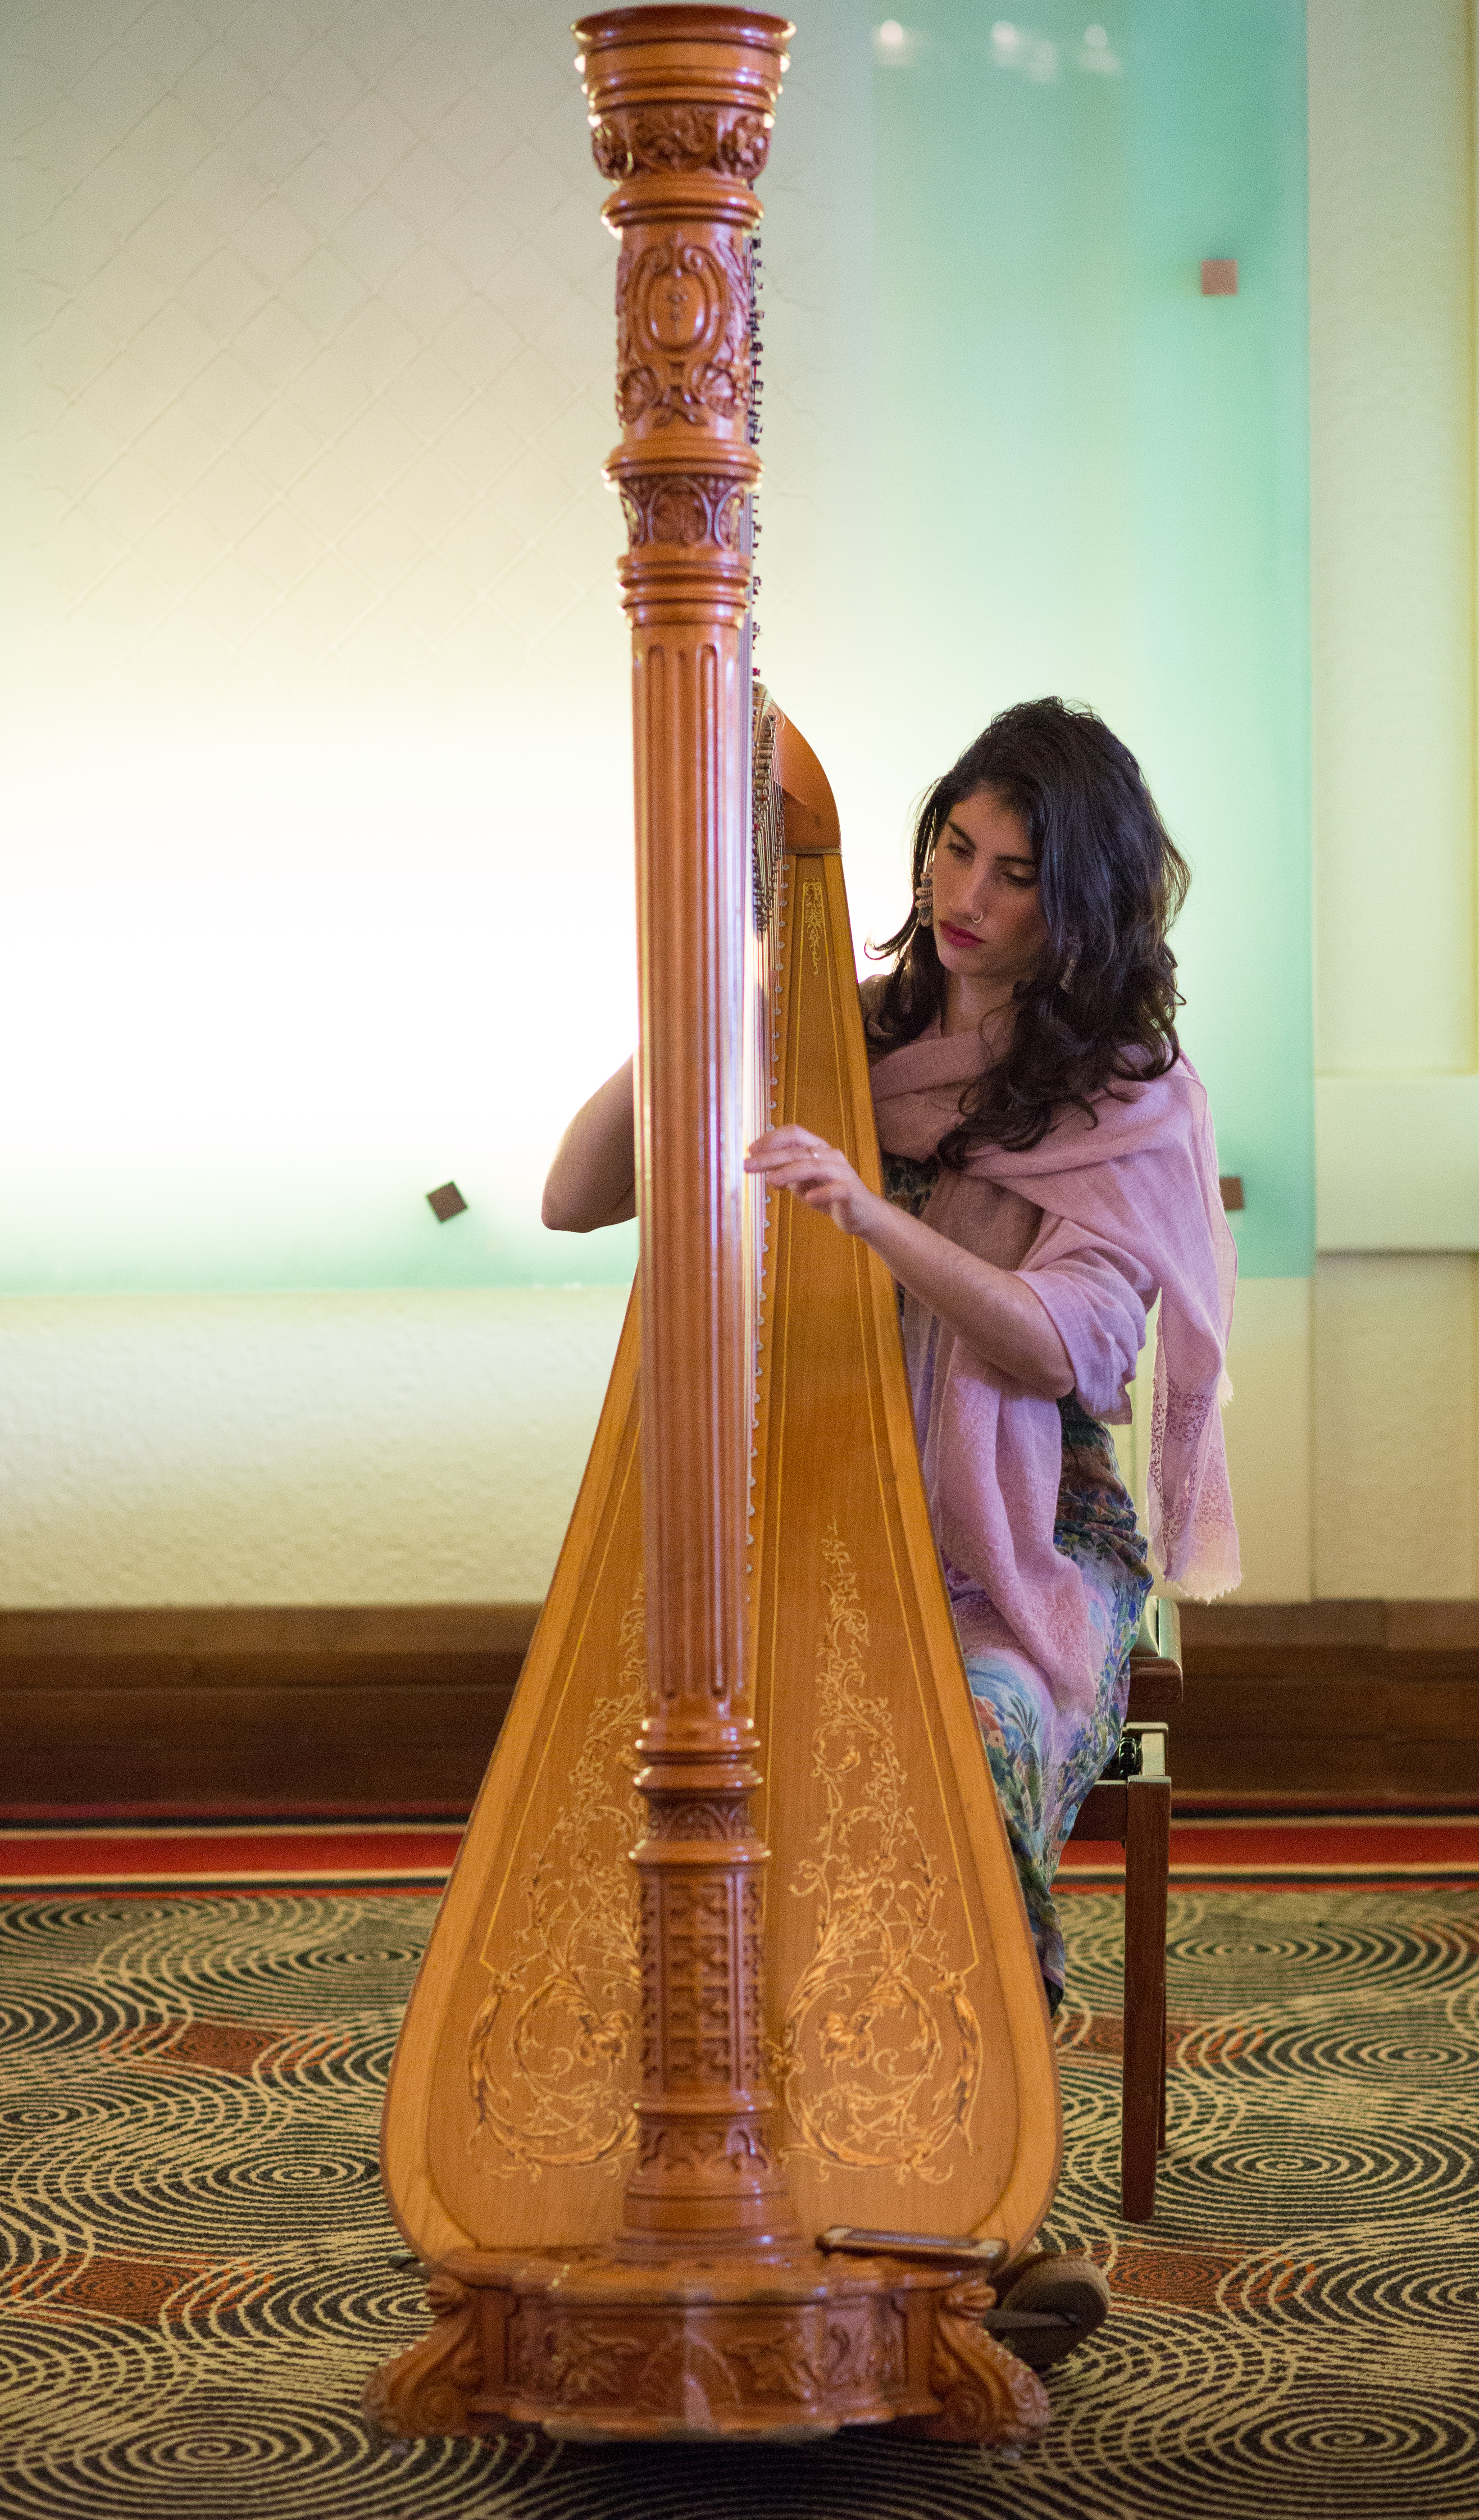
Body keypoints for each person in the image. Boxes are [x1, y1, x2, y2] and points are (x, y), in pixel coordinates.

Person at [542, 696, 1238, 2014]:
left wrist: (870, 1217)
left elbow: (1061, 1352)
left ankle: (961, 2102)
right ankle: (752, 2066)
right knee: (663, 1739)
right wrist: (703, 1004)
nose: (966, 892)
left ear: (1077, 903)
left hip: (1020, 1537)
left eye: (1015, 873)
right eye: (955, 847)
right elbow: (573, 1198)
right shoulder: (841, 1033)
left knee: (958, 1745)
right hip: (811, 1502)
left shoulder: (1126, 1102)